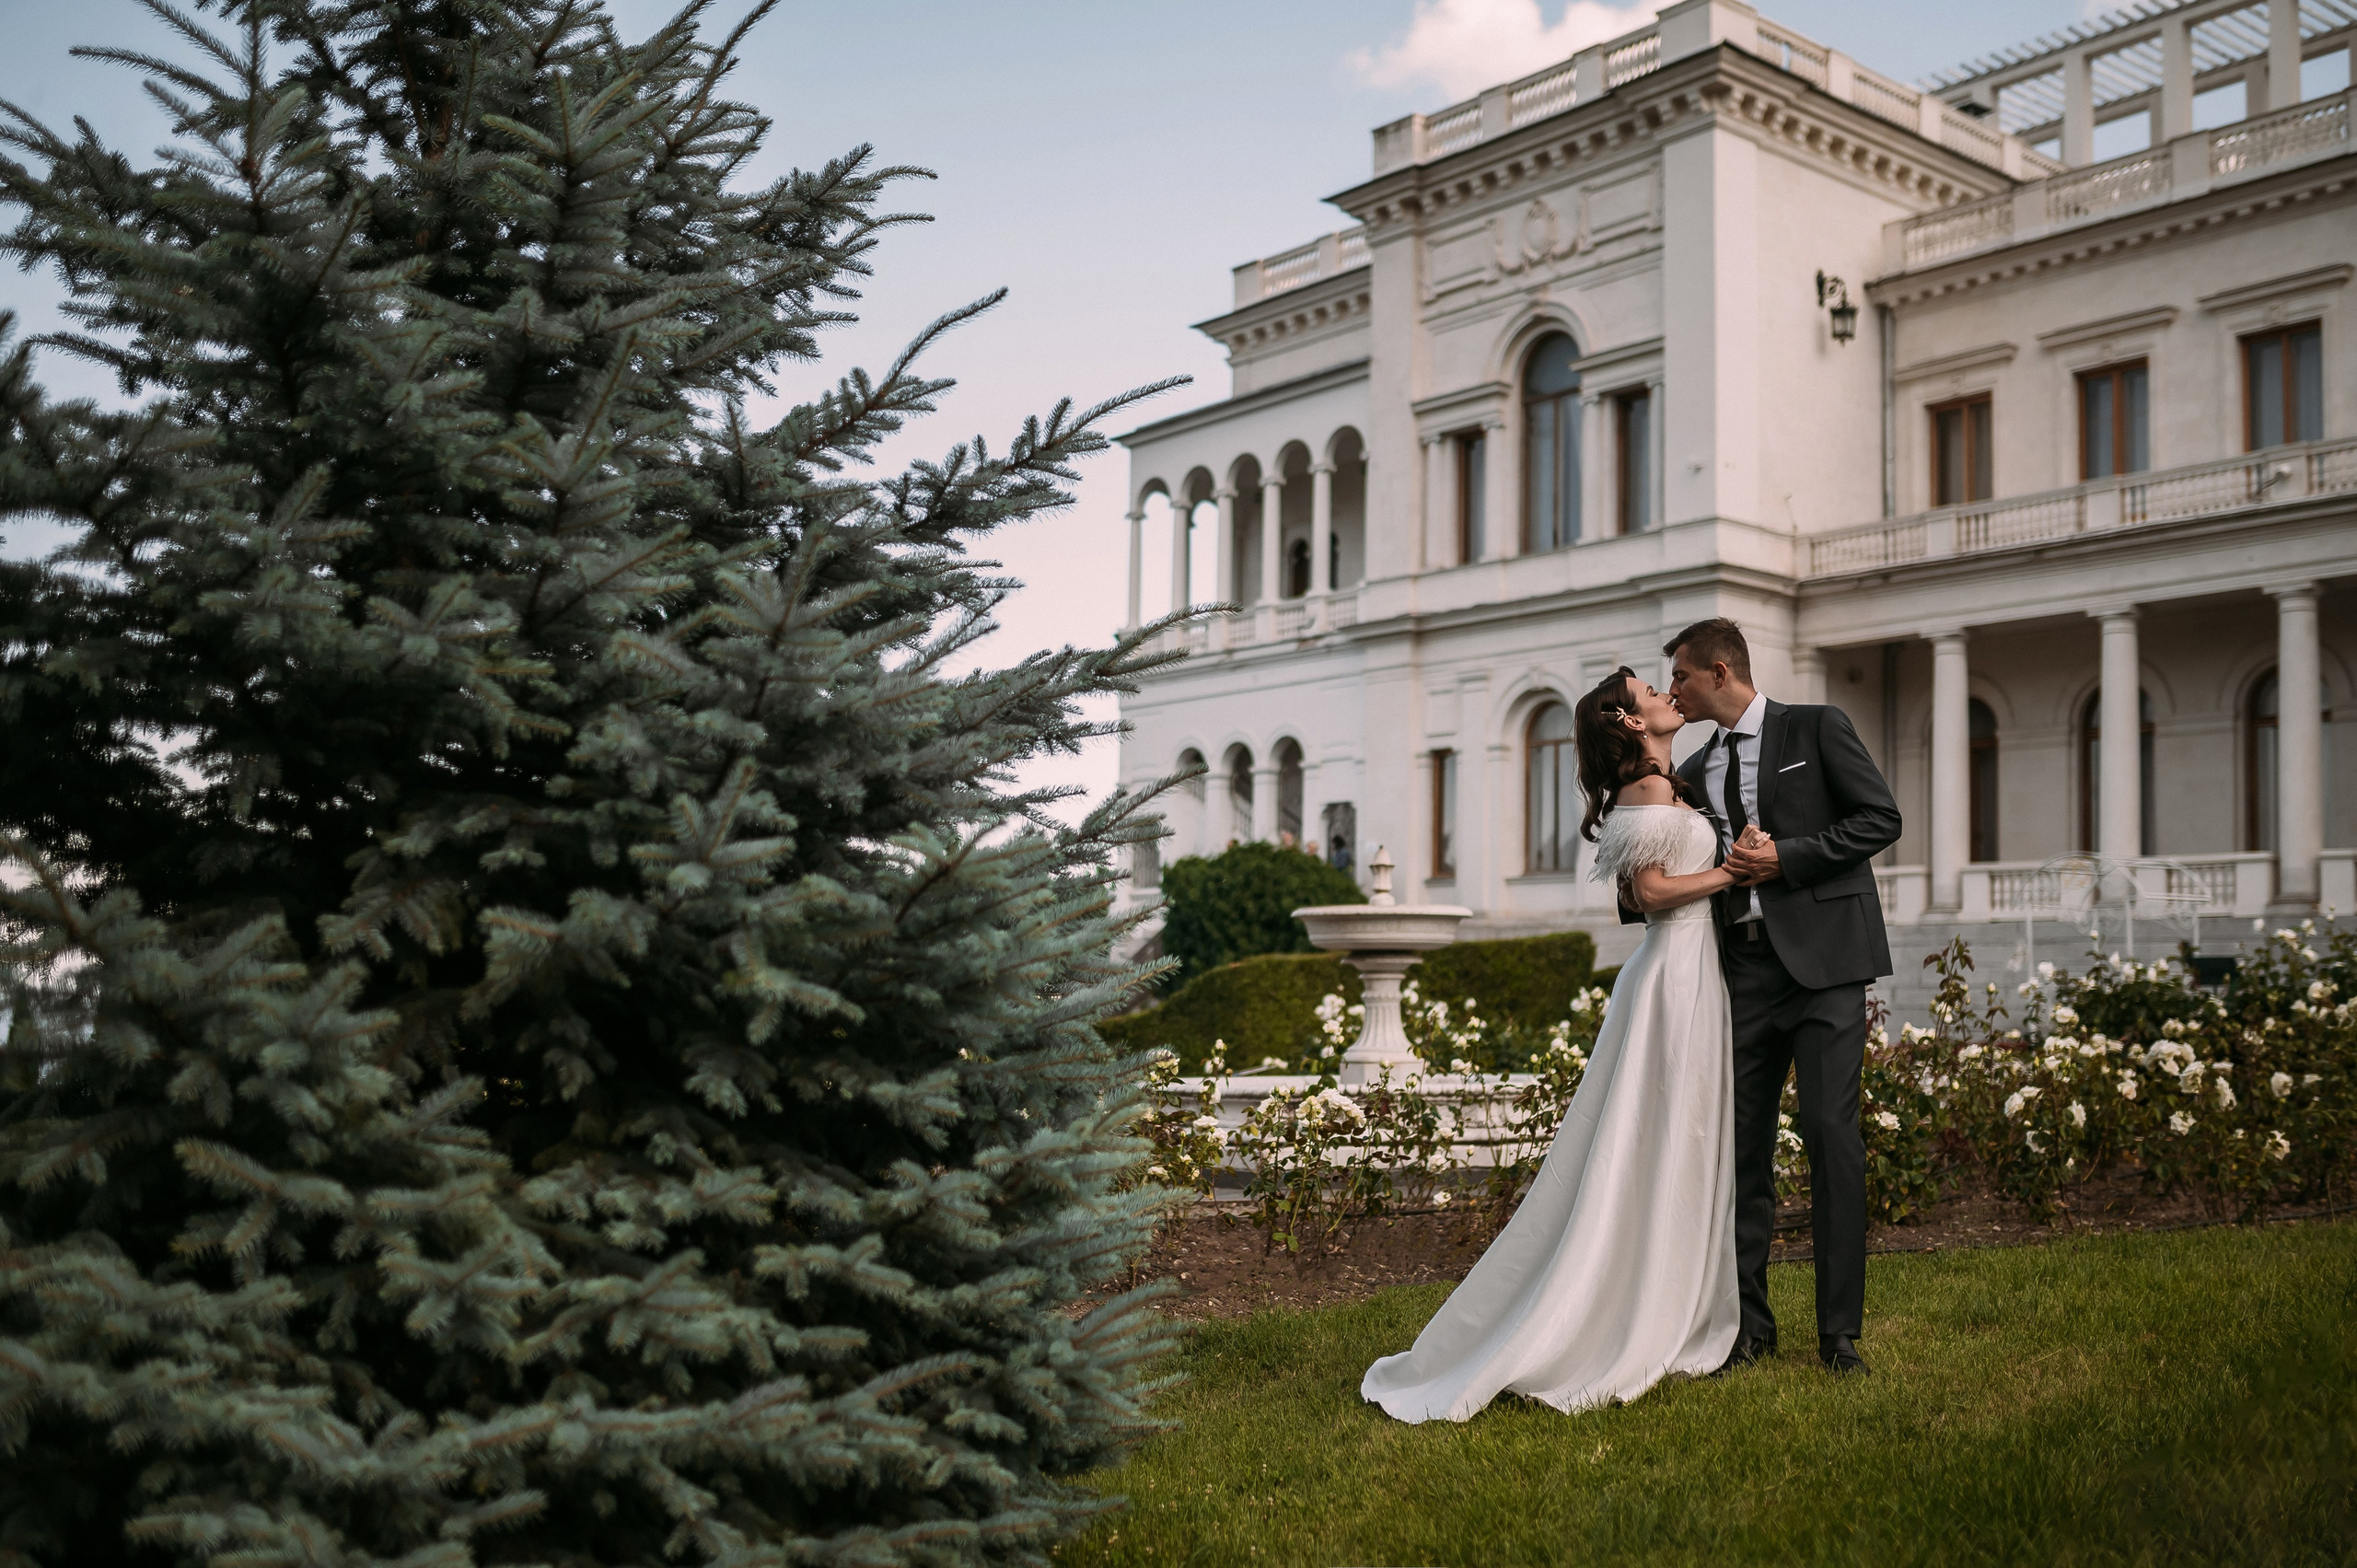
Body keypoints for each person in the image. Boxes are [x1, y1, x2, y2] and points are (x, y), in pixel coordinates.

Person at [1361, 667, 1742, 1422]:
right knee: (1656, 1135)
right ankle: (1629, 1313)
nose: (1667, 695)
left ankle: (1674, 1297)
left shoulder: (1667, 783)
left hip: (1691, 971)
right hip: (1673, 976)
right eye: (1649, 692)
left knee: (1677, 1133)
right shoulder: (1650, 791)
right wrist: (1733, 870)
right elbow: (1649, 894)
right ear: (1631, 723)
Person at [1658, 617, 1901, 1376]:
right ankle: (1749, 1329)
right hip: (1744, 974)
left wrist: (1786, 859)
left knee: (1832, 1137)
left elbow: (1880, 819)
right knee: (1741, 1153)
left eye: (1682, 679)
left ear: (1721, 671)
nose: (1674, 691)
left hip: (1828, 966)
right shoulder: (1694, 768)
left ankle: (1839, 1337)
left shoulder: (1817, 727)